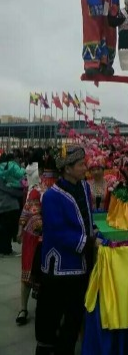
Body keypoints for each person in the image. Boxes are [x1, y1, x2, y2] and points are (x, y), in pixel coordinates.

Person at [35, 146, 100, 355]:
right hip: (60, 269)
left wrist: (95, 232)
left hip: (81, 267)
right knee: (50, 318)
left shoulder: (85, 188)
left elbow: (87, 218)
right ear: (68, 169)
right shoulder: (52, 196)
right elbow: (58, 233)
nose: (85, 168)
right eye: (81, 164)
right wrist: (89, 242)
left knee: (73, 319)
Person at [16, 153, 45, 326]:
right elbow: (27, 210)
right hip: (32, 238)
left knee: (44, 277)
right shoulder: (36, 190)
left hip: (50, 239)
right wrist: (20, 229)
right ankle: (23, 308)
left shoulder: (59, 190)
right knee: (27, 274)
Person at [0, 154, 24, 256]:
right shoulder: (6, 175)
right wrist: (20, 192)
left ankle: (6, 249)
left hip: (4, 205)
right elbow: (8, 189)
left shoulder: (4, 174)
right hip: (8, 204)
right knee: (7, 230)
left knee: (4, 229)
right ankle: (6, 250)